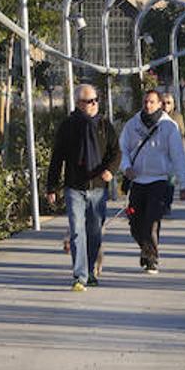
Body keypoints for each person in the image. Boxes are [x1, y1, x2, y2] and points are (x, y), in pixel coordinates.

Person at [46, 83, 120, 293]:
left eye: (96, 99)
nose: (94, 104)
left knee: (94, 232)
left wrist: (110, 171)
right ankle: (81, 276)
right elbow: (57, 157)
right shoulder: (68, 126)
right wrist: (52, 187)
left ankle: (90, 271)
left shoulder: (105, 125)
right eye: (89, 101)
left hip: (98, 187)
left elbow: (116, 152)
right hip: (74, 188)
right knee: (77, 231)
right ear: (79, 104)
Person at [119, 89, 185, 274]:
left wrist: (183, 183)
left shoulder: (169, 126)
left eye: (152, 102)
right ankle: (146, 248)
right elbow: (123, 149)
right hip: (138, 180)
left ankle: (151, 258)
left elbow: (178, 156)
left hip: (159, 180)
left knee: (151, 221)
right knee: (135, 224)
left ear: (159, 104)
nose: (148, 105)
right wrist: (126, 167)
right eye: (145, 102)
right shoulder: (132, 124)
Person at [160, 92, 185, 216]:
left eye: (168, 103)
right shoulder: (156, 116)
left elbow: (182, 133)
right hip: (159, 153)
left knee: (170, 181)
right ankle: (160, 202)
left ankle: (167, 204)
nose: (166, 105)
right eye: (163, 103)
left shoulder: (177, 117)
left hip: (173, 153)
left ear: (173, 105)